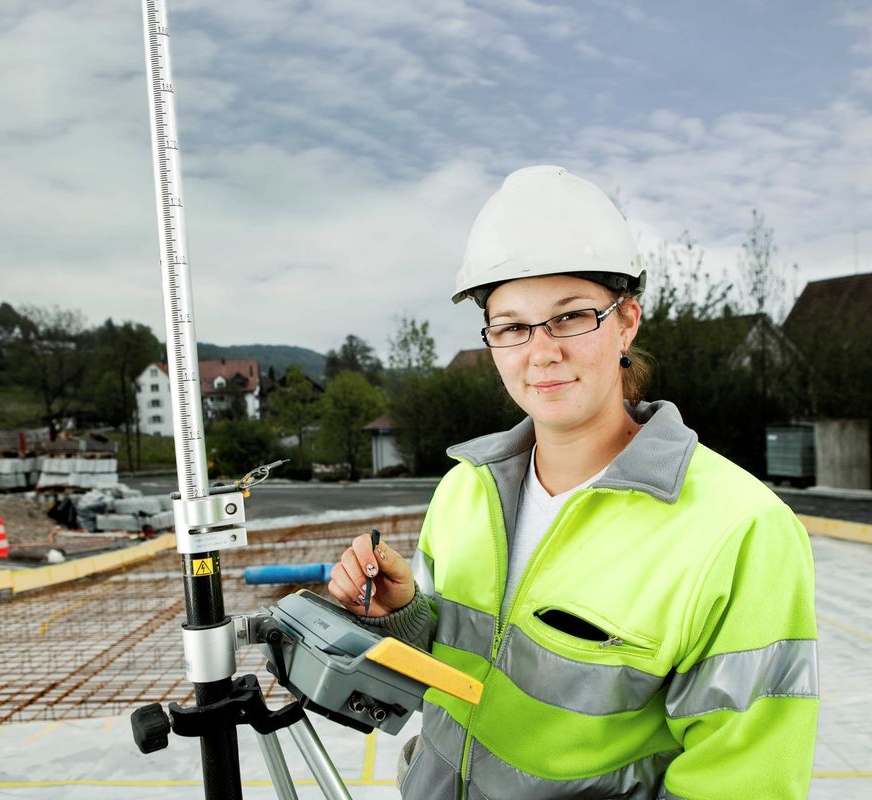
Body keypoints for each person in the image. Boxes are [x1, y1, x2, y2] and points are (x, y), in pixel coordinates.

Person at [328, 165, 818, 799]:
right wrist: (402, 615)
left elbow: (742, 781)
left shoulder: (740, 530)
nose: (541, 352)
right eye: (512, 327)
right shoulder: (465, 490)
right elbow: (459, 670)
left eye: (571, 317)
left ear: (627, 321)